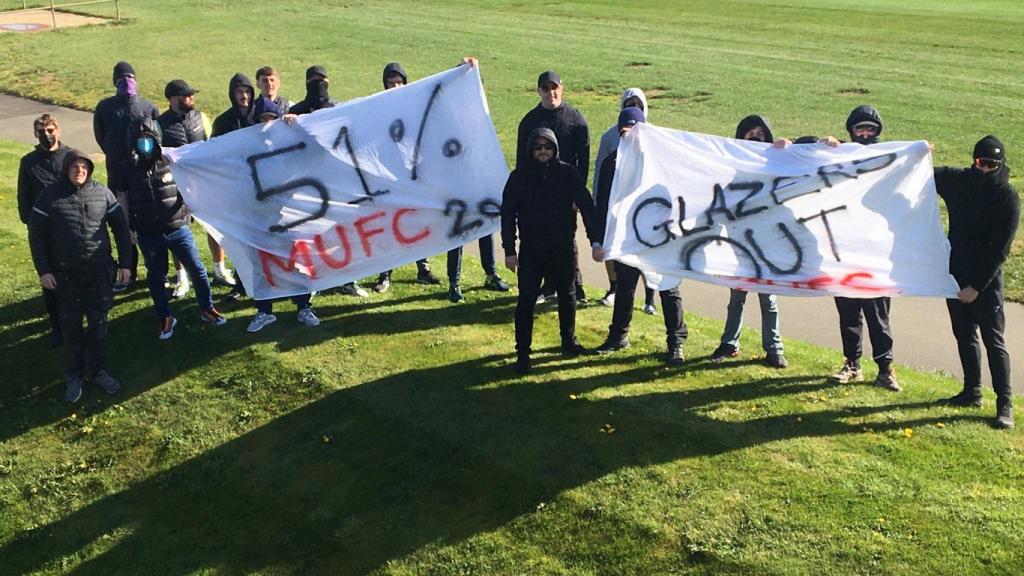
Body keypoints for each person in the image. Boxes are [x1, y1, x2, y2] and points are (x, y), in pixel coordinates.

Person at [28, 150, 133, 403]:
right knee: (71, 328)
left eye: (84, 166)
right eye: (74, 166)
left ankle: (97, 371)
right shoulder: (49, 196)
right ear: (66, 169)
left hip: (99, 273)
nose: (79, 170)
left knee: (99, 326)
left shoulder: (103, 193)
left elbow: (121, 229)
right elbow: (36, 235)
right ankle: (74, 376)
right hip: (65, 276)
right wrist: (44, 270)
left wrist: (126, 265)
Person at [933, 136, 1019, 429]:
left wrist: (977, 287)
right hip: (956, 273)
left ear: (1000, 165)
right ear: (974, 160)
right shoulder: (958, 182)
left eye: (992, 165)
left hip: (986, 281)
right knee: (964, 334)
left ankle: (1004, 404)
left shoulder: (1007, 197)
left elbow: (1001, 250)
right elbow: (923, 174)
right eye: (981, 163)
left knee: (994, 341)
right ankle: (972, 391)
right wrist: (920, 153)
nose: (985, 170)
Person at [592, 108, 687, 365]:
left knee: (668, 288)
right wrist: (598, 240)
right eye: (624, 132)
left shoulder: (661, 164)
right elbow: (602, 205)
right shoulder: (611, 164)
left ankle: (676, 342)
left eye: (634, 132)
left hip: (657, 240)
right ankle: (618, 337)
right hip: (626, 239)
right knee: (625, 288)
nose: (629, 137)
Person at [501, 128, 599, 374]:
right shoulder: (519, 177)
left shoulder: (568, 173)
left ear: (555, 149)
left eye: (547, 147)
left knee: (568, 294)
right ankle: (523, 353)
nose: (543, 151)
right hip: (531, 249)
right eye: (538, 147)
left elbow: (587, 206)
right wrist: (509, 250)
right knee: (526, 300)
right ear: (530, 150)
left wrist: (595, 241)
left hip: (563, 246)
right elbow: (507, 215)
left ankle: (569, 341)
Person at [126, 116, 228, 339]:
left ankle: (207, 308)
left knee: (198, 270)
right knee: (156, 276)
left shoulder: (171, 160)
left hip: (178, 227)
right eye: (140, 139)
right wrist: (129, 228)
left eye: (148, 139)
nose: (145, 143)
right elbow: (122, 197)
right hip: (148, 232)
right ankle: (165, 316)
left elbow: (191, 182)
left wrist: (191, 213)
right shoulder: (128, 168)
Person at [829, 105, 899, 392]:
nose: (866, 134)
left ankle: (886, 368)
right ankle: (851, 363)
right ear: (851, 131)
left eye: (871, 129)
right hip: (843, 251)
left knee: (877, 315)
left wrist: (919, 153)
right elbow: (804, 151)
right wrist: (825, 145)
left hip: (876, 253)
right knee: (848, 312)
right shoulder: (840, 155)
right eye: (861, 129)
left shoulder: (891, 158)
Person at [708, 115, 788, 368]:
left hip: (767, 240)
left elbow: (804, 154)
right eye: (749, 132)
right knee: (737, 295)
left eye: (760, 133)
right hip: (740, 239)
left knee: (769, 297)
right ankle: (730, 343)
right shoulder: (734, 164)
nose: (754, 137)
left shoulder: (774, 162)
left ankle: (774, 349)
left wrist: (790, 144)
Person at [245, 97, 321, 333]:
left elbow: (317, 148)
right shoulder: (245, 144)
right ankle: (264, 311)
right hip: (258, 216)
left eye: (271, 118)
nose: (267, 124)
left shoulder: (290, 140)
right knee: (260, 265)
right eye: (262, 119)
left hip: (288, 215)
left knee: (297, 260)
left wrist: (298, 126)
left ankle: (303, 307)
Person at [515, 70, 590, 305]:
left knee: (568, 238)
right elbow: (521, 160)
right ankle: (547, 286)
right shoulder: (529, 121)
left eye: (554, 87)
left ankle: (574, 287)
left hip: (566, 191)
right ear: (539, 91)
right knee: (540, 236)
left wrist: (579, 194)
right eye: (545, 89)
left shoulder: (576, 119)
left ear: (562, 88)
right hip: (537, 191)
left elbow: (584, 159)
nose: (551, 93)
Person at [159, 79, 236, 292]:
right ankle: (181, 276)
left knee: (214, 224)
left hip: (202, 181)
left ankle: (220, 268)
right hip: (175, 184)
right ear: (173, 99)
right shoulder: (160, 123)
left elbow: (211, 144)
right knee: (179, 228)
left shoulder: (200, 117)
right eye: (186, 96)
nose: (191, 99)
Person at [372, 62, 441, 293]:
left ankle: (423, 268)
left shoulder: (414, 106)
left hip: (413, 176)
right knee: (389, 226)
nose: (395, 86)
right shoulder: (377, 109)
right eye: (390, 83)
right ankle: (385, 274)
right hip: (388, 177)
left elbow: (437, 97)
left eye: (399, 82)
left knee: (417, 224)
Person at [93, 61, 160, 291]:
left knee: (150, 223)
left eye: (130, 77)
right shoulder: (104, 108)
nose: (127, 82)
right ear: (114, 82)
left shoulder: (148, 107)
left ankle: (158, 271)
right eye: (122, 78)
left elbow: (156, 139)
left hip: (144, 177)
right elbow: (101, 137)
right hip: (119, 177)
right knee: (123, 226)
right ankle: (127, 272)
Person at [592, 87, 657, 312]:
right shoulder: (610, 136)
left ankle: (650, 297)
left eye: (637, 105)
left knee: (646, 253)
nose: (633, 108)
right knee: (613, 248)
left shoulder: (655, 136)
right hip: (615, 202)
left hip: (643, 206)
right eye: (629, 104)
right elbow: (601, 169)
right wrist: (596, 200)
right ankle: (614, 288)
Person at [18, 113, 70, 348]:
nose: (47, 135)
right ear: (36, 134)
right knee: (50, 280)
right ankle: (57, 326)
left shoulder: (71, 157)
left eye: (50, 130)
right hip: (46, 229)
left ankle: (76, 322)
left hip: (71, 226)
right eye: (42, 131)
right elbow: (24, 199)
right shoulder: (29, 162)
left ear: (57, 130)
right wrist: (35, 225)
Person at [211, 72, 256, 302]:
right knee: (241, 240)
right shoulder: (224, 121)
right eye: (240, 92)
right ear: (232, 94)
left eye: (247, 91)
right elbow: (213, 153)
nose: (244, 96)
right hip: (236, 190)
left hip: (261, 188)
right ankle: (241, 283)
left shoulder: (261, 116)